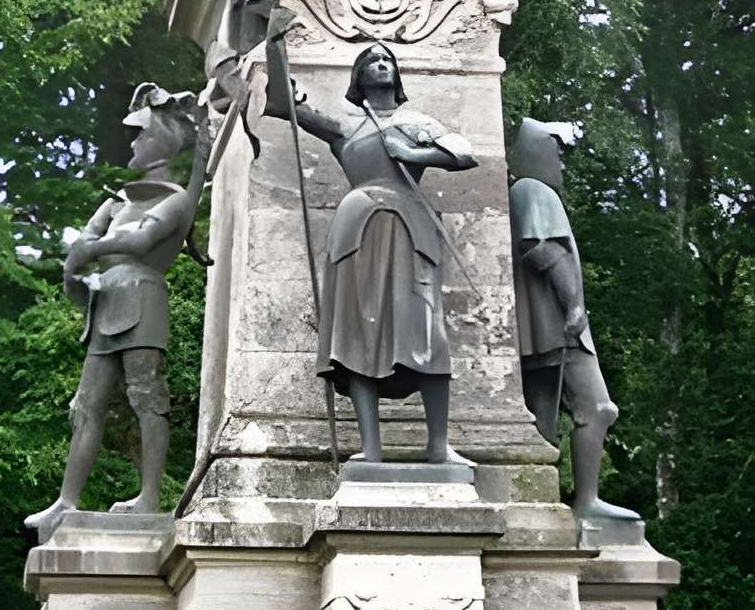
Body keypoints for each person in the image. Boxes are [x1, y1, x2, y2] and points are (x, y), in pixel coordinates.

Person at [267, 41, 475, 464]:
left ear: (396, 75)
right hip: (358, 226)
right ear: (358, 77)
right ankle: (371, 451)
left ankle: (438, 446)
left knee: (428, 332)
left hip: (410, 228)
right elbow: (282, 102)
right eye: (371, 62)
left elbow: (464, 154)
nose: (381, 65)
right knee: (357, 334)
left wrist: (414, 152)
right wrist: (274, 44)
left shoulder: (416, 121)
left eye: (387, 61)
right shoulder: (345, 125)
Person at [24, 84, 207, 540]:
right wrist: (77, 267)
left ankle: (150, 496)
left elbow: (140, 240)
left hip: (142, 298)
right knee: (85, 406)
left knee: (147, 397)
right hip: (105, 299)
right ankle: (66, 500)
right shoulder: (117, 200)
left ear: (159, 142)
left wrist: (92, 249)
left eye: (140, 137)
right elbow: (82, 244)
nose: (132, 144)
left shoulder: (175, 199)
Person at [509, 118, 641, 526]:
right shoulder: (535, 190)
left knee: (542, 418)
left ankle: (541, 507)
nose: (562, 165)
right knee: (598, 408)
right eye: (557, 153)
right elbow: (543, 250)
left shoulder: (518, 192)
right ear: (538, 152)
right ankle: (587, 502)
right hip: (558, 327)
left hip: (538, 331)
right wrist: (574, 307)